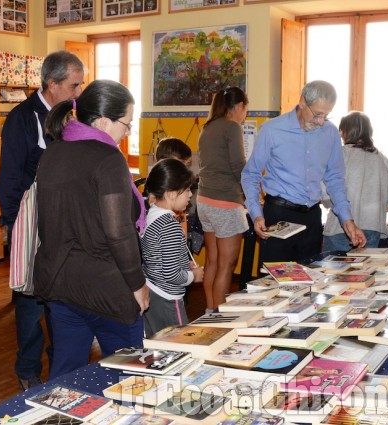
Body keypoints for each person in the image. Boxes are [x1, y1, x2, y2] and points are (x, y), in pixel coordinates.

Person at [33, 79, 150, 379]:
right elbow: (118, 232)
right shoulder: (108, 158)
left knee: (65, 377)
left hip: (60, 284)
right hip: (107, 288)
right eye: (127, 123)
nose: (128, 132)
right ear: (102, 121)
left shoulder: (52, 153)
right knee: (129, 378)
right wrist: (138, 284)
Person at [0, 50, 85, 390]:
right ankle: (28, 368)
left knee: (60, 299)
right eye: (73, 86)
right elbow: (10, 176)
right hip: (29, 223)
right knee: (32, 303)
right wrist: (13, 223)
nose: (78, 93)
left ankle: (60, 366)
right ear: (52, 84)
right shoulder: (23, 118)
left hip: (62, 222)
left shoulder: (71, 117)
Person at [241, 80, 367, 264]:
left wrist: (347, 219)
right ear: (302, 102)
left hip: (312, 218)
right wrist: (256, 213)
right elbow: (251, 175)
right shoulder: (272, 130)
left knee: (309, 283)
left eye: (326, 115)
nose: (321, 121)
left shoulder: (330, 133)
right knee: (275, 284)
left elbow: (335, 179)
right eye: (317, 114)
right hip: (278, 215)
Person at [197, 87, 250, 313]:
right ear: (239, 106)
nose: (245, 114)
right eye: (246, 109)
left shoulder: (208, 127)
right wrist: (252, 195)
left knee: (213, 261)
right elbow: (238, 165)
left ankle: (210, 310)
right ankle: (218, 318)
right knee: (227, 266)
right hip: (226, 202)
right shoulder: (232, 126)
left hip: (204, 200)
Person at [141, 158, 203, 336]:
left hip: (151, 290)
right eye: (187, 190)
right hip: (168, 297)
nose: (191, 195)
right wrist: (193, 276)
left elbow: (159, 257)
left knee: (156, 343)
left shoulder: (150, 215)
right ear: (171, 194)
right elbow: (172, 274)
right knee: (179, 344)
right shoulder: (170, 226)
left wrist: (184, 264)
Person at [323, 111, 388, 251]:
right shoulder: (381, 158)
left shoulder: (339, 155)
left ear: (344, 131)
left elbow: (326, 195)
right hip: (373, 227)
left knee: (331, 271)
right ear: (369, 131)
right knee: (364, 272)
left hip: (340, 228)